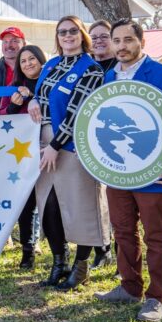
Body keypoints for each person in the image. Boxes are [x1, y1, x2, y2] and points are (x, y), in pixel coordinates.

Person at [93, 19, 162, 322]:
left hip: (154, 167)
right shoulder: (109, 77)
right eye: (116, 40)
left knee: (156, 235)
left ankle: (156, 296)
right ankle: (129, 286)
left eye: (128, 40)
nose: (121, 46)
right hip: (118, 170)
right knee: (122, 231)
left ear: (140, 41)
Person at [27, 16, 110, 292]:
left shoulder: (91, 68)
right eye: (62, 32)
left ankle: (81, 266)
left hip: (72, 145)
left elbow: (79, 112)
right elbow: (41, 94)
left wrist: (55, 146)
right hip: (44, 140)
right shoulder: (51, 65)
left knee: (80, 205)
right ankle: (58, 262)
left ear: (82, 34)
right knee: (49, 205)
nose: (68, 36)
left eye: (73, 31)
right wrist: (32, 100)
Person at [4, 44, 47, 270]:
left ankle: (60, 253)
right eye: (23, 61)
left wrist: (36, 99)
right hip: (22, 153)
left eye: (32, 58)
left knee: (50, 202)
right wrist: (14, 104)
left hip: (49, 149)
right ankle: (27, 251)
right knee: (26, 203)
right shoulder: (15, 88)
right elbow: (3, 118)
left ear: (41, 60)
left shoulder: (49, 85)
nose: (29, 63)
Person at [88, 19, 118, 271]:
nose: (98, 40)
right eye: (94, 36)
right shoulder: (85, 67)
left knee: (118, 201)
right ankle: (101, 249)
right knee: (93, 199)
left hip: (116, 142)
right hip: (88, 141)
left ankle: (124, 255)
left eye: (103, 36)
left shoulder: (121, 67)